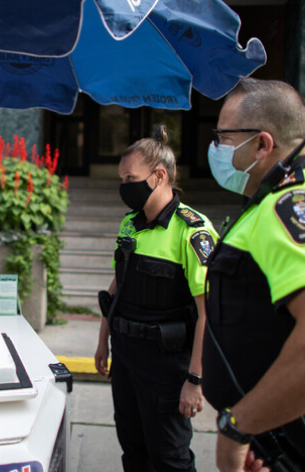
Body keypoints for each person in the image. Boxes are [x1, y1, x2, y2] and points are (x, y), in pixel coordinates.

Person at [201, 78, 305, 472]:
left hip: (303, 450)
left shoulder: (295, 204)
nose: (216, 148)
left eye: (223, 136)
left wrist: (237, 427)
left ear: (263, 144)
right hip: (279, 441)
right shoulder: (293, 195)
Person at [93, 125, 218, 472]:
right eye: (122, 178)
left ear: (159, 176)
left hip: (167, 366)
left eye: (130, 178)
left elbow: (208, 314)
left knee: (169, 457)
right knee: (133, 450)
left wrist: (195, 380)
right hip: (127, 358)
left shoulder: (193, 231)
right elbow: (117, 285)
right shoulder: (130, 225)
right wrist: (103, 339)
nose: (124, 187)